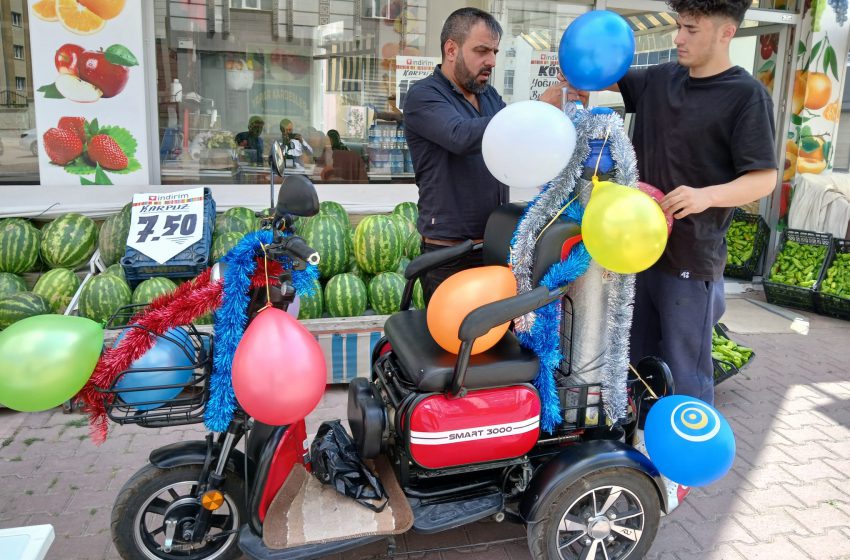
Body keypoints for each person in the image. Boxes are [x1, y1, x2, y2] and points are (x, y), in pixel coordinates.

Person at [616, 0, 777, 405]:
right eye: (678, 26)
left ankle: (683, 459)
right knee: (635, 364)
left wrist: (706, 196)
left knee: (684, 371)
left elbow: (765, 178)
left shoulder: (747, 96)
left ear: (726, 33)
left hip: (690, 257)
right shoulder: (660, 79)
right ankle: (637, 452)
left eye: (691, 29)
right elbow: (601, 79)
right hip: (636, 251)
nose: (678, 38)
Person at [403, 7, 506, 302]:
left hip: (494, 245)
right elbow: (459, 136)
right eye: (482, 50)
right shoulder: (424, 95)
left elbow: (512, 141)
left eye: (495, 52)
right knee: (453, 346)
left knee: (494, 344)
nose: (491, 61)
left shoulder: (489, 96)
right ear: (451, 49)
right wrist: (532, 110)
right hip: (448, 256)